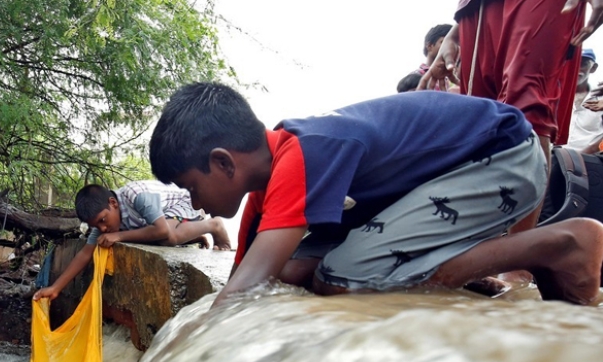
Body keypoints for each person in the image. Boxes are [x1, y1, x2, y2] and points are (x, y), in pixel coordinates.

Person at [148, 82, 603, 309]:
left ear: (225, 162)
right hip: (460, 174)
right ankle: (454, 267)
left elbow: (243, 293)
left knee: (341, 277)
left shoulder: (304, 154)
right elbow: (259, 275)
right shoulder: (279, 167)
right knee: (299, 268)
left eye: (191, 187)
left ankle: (563, 243)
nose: (196, 205)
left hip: (501, 159)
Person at [419, 0, 603, 231]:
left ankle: (518, 251)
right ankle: (481, 245)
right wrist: (455, 33)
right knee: (481, 122)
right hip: (477, 6)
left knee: (529, 107)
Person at [33, 180, 232, 302]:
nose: (103, 229)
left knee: (167, 237)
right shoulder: (103, 222)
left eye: (103, 221)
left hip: (185, 204)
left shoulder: (137, 196)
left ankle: (213, 225)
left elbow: (161, 230)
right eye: (97, 226)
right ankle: (191, 235)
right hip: (165, 219)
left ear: (113, 203)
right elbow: (85, 253)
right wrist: (55, 288)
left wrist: (118, 236)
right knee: (156, 237)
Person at [568, 49, 603, 152]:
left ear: (593, 68)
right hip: (553, 158)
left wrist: (586, 154)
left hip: (590, 161)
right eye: (572, 63)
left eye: (583, 64)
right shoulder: (554, 97)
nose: (576, 69)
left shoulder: (601, 99)